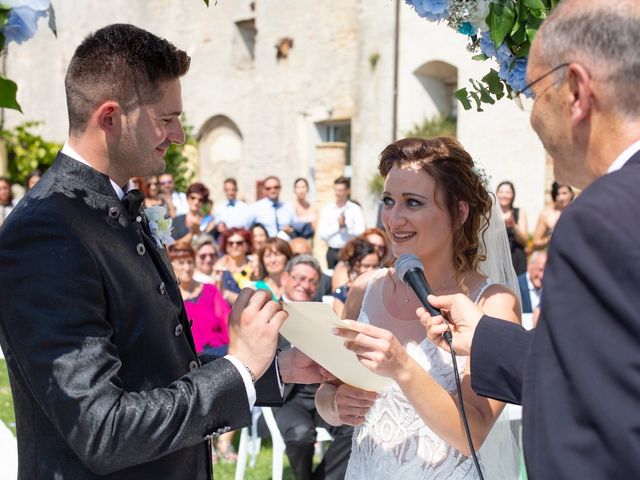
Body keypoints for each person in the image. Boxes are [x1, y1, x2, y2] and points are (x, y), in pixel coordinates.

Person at [0, 24, 318, 480]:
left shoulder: (112, 204)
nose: (181, 136)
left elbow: (154, 367)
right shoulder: (45, 233)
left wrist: (274, 369)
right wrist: (238, 367)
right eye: (166, 119)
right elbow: (103, 429)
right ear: (110, 118)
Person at [422, 1, 640, 477]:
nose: (532, 117)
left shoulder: (602, 218)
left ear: (577, 91)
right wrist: (483, 336)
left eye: (534, 93)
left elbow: (595, 420)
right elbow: (603, 369)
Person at [318, 137, 521, 479]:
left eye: (413, 203)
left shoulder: (492, 303)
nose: (394, 219)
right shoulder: (364, 289)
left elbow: (471, 433)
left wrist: (402, 367)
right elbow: (327, 393)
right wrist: (336, 405)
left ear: (459, 212)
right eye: (388, 201)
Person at [275, 255, 353, 480]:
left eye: (312, 281)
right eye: (300, 278)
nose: (306, 285)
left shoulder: (323, 313)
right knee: (300, 434)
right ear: (285, 278)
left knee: (354, 427)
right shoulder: (269, 312)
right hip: (288, 398)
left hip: (322, 392)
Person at [318, 176, 366, 269]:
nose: (338, 193)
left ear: (348, 191)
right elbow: (322, 235)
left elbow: (362, 232)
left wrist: (346, 227)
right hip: (333, 251)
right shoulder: (326, 209)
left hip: (350, 251)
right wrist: (338, 227)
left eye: (341, 190)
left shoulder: (355, 209)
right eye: (336, 190)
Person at [331, 238, 379, 318]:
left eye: (375, 266)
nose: (371, 271)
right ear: (355, 265)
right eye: (366, 266)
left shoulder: (382, 289)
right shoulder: (343, 294)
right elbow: (342, 324)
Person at [331, 227, 390, 291]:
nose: (376, 249)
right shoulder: (344, 268)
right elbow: (339, 295)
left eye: (380, 247)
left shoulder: (384, 269)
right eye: (371, 245)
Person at [214, 227, 255, 305]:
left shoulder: (255, 265)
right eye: (230, 243)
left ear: (246, 244)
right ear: (225, 246)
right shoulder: (219, 268)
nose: (235, 246)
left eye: (239, 243)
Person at [496, 180, 529, 275]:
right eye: (501, 192)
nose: (504, 195)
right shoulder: (491, 213)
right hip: (497, 257)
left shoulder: (520, 212)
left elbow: (524, 241)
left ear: (513, 195)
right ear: (497, 194)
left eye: (508, 192)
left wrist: (514, 226)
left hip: (516, 257)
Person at [531, 181, 574, 250]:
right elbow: (536, 242)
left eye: (564, 193)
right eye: (557, 194)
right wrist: (549, 239)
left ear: (571, 194)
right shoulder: (546, 214)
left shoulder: (579, 211)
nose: (561, 198)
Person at [289, 237, 333, 302]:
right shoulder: (280, 279)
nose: (302, 260)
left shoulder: (326, 282)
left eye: (306, 256)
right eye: (296, 256)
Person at [517, 250, 546, 323]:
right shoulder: (516, 286)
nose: (542, 276)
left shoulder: (551, 288)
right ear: (529, 266)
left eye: (546, 271)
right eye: (540, 270)